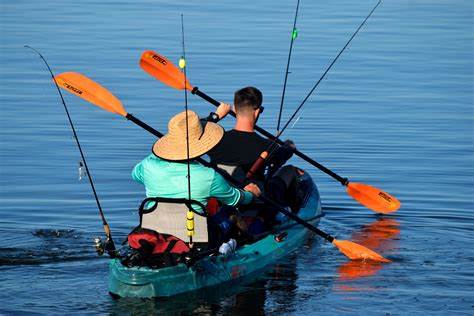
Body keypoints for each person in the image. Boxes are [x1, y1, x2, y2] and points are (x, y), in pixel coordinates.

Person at [132, 110, 261, 245]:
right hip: (195, 237)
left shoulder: (147, 165)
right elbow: (235, 199)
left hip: (155, 231)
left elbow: (136, 175)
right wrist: (250, 194)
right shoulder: (209, 176)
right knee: (229, 210)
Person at [207, 87, 305, 228]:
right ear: (257, 111)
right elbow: (281, 157)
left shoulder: (214, 140)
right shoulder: (266, 146)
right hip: (255, 201)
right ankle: (290, 215)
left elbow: (195, 131)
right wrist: (289, 147)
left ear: (234, 108)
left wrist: (215, 117)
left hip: (222, 198)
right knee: (290, 171)